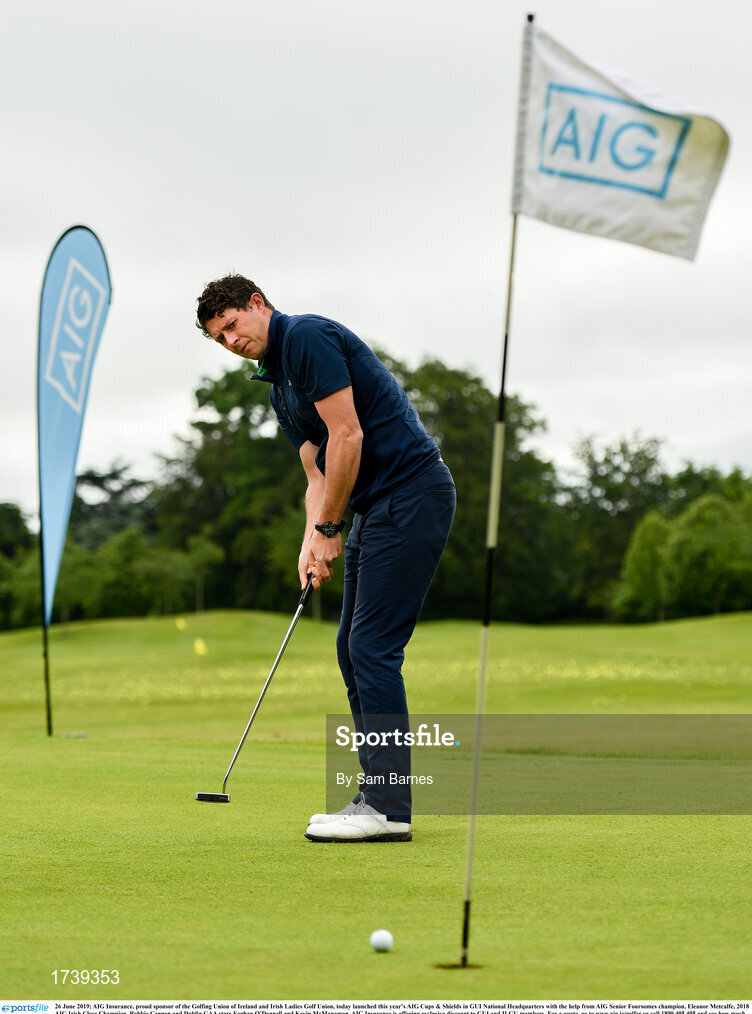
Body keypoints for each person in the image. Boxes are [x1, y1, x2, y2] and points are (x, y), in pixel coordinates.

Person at [196, 274, 456, 842]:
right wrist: (311, 541)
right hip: (374, 506)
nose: (232, 342)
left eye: (233, 325)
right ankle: (374, 795)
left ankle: (389, 807)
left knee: (372, 647)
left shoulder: (307, 338)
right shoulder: (278, 387)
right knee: (351, 648)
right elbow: (316, 472)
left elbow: (349, 436)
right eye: (220, 339)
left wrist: (331, 527)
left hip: (411, 491)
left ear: (258, 304)